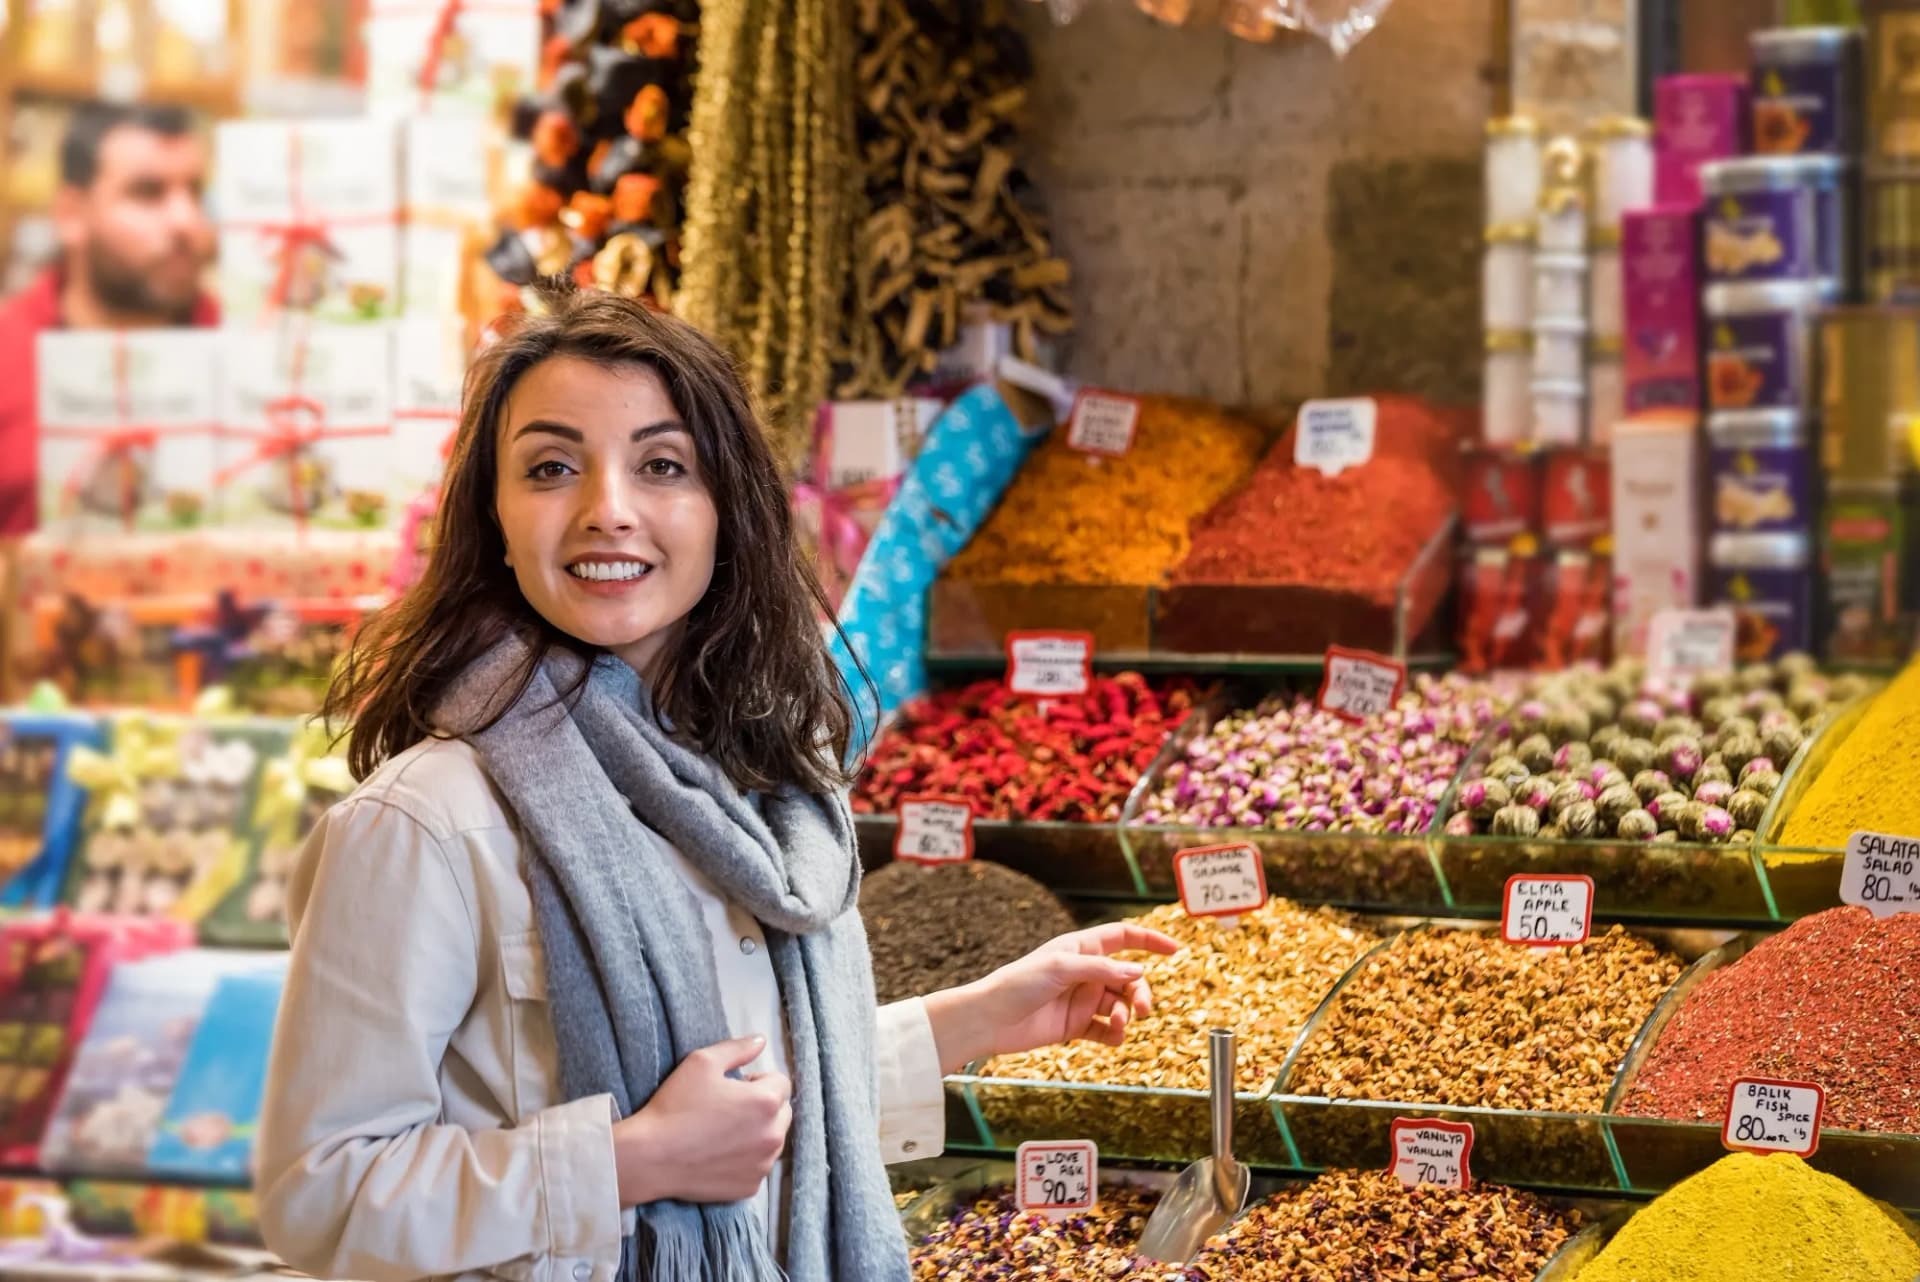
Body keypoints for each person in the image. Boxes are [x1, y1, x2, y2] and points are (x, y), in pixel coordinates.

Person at [256, 280, 1178, 1282]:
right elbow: (319, 1193)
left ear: (725, 509)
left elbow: (758, 1100)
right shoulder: (426, 823)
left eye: (662, 465)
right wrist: (628, 1161)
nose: (609, 511)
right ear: (497, 516)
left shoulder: (765, 789)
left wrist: (978, 1021)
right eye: (552, 466)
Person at [0, 102, 217, 536]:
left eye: (195, 193)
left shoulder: (252, 355)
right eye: (148, 192)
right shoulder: (8, 357)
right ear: (71, 215)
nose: (186, 221)